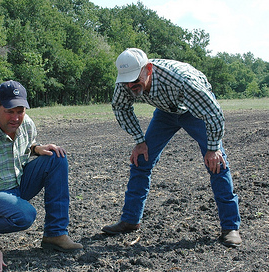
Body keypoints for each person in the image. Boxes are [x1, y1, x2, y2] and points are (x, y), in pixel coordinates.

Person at [102, 48, 242, 247]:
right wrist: (139, 141)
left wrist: (213, 148)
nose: (131, 85)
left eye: (135, 79)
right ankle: (130, 220)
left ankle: (230, 227)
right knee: (142, 159)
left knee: (217, 163)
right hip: (166, 112)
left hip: (194, 111)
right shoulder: (125, 84)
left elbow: (213, 113)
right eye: (127, 81)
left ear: (148, 69)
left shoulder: (183, 81)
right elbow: (121, 108)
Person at [0, 80, 82, 272]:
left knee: (56, 158)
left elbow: (23, 147)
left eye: (20, 111)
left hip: (15, 184)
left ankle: (55, 234)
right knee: (25, 215)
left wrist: (36, 149)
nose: (16, 117)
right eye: (10, 111)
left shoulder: (25, 124)